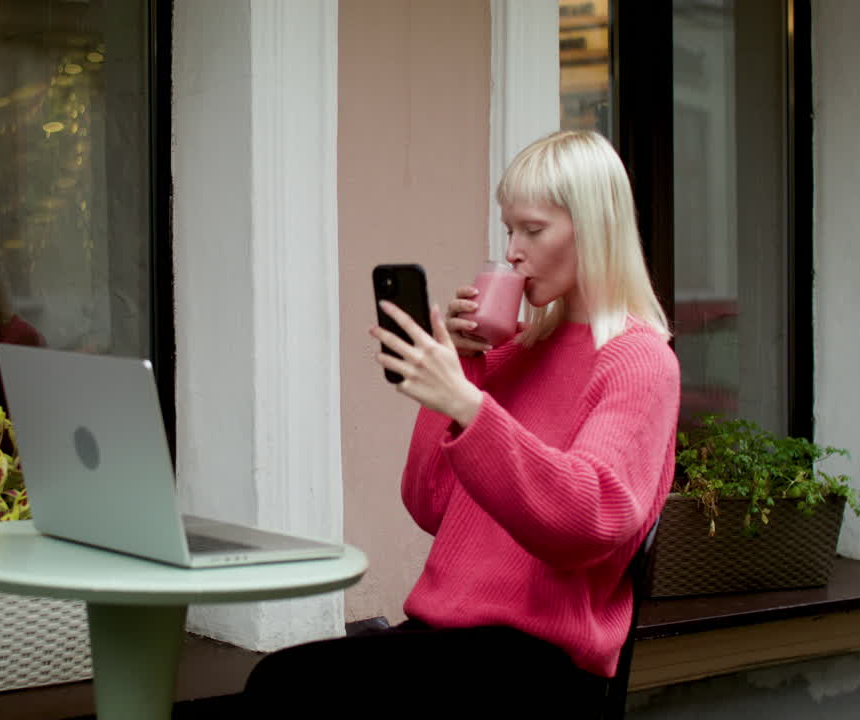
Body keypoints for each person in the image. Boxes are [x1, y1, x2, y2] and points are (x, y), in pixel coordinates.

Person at [240, 129, 680, 718]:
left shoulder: (639, 359)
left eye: (533, 229)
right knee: (280, 681)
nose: (513, 251)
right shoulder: (512, 353)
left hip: (538, 661)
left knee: (289, 687)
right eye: (509, 230)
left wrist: (470, 408)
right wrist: (461, 374)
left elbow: (588, 519)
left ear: (593, 228)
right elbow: (429, 505)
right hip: (445, 637)